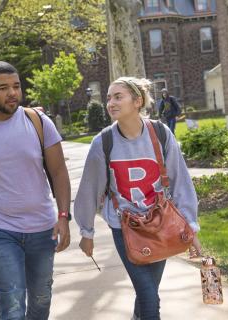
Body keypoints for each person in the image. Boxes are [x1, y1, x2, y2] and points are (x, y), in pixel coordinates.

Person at [74, 77, 202, 320]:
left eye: (117, 96)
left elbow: (180, 181)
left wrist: (191, 226)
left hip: (160, 224)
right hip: (124, 227)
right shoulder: (103, 142)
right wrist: (86, 232)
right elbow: (89, 189)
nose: (110, 102)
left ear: (137, 101)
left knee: (147, 291)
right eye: (109, 97)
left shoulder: (161, 133)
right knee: (149, 295)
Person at [0, 61, 71, 320]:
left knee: (41, 299)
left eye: (16, 87)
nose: (12, 94)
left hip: (41, 227)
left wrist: (63, 216)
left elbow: (59, 172)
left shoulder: (39, 123)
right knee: (12, 302)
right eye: (3, 88)